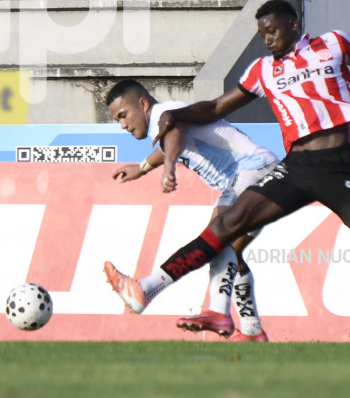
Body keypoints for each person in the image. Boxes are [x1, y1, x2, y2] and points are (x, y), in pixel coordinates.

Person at [104, 0, 350, 342]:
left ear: (293, 22)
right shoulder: (263, 70)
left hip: (340, 169)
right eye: (261, 34)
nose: (267, 39)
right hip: (296, 168)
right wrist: (177, 115)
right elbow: (218, 107)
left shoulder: (333, 44)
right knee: (225, 225)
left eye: (272, 30)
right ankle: (146, 290)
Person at [105, 79, 278, 342]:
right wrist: (142, 168)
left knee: (216, 239)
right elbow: (168, 142)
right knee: (230, 250)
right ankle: (252, 330)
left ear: (142, 104)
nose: (123, 125)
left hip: (253, 170)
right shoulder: (163, 121)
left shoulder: (165, 115)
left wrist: (170, 167)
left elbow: (175, 133)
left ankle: (147, 290)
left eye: (123, 115)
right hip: (242, 178)